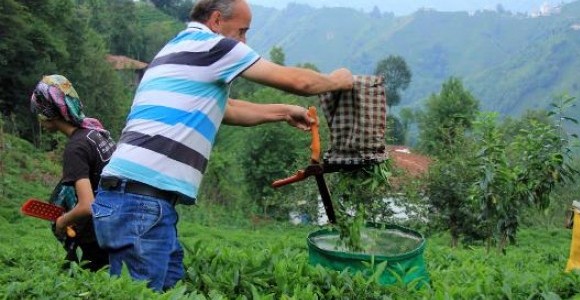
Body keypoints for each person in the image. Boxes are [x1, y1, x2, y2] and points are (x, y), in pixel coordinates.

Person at [91, 0, 354, 291]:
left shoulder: (176, 48)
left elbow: (224, 109)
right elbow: (297, 82)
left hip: (133, 198)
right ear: (216, 21)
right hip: (140, 201)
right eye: (242, 31)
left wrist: (282, 112)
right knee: (143, 294)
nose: (244, 41)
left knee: (167, 290)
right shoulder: (213, 46)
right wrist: (337, 80)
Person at [30, 74, 116, 271]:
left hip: (95, 236)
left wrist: (61, 222)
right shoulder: (96, 135)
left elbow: (87, 205)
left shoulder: (76, 147)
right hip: (115, 227)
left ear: (48, 113)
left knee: (75, 281)